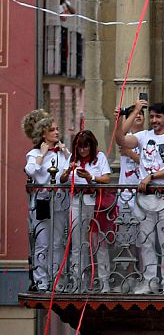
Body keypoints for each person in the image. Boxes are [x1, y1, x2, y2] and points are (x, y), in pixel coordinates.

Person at [117, 100, 164, 294]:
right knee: (146, 240)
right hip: (145, 196)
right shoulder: (142, 135)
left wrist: (152, 176)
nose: (154, 120)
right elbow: (120, 139)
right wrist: (135, 110)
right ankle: (150, 281)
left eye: (158, 117)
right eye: (152, 116)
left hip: (163, 194)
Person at [24, 110, 70, 290]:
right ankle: (41, 280)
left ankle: (57, 280)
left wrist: (66, 154)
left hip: (59, 200)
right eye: (52, 130)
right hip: (42, 201)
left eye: (57, 129)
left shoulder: (61, 152)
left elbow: (68, 171)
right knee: (43, 242)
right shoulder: (34, 153)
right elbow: (31, 171)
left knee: (58, 242)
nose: (57, 132)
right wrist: (41, 155)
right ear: (44, 133)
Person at [64, 130, 113, 292]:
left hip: (95, 202)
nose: (83, 150)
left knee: (98, 242)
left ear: (91, 146)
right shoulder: (73, 158)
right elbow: (61, 179)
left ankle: (104, 282)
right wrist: (67, 172)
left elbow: (106, 178)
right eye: (80, 147)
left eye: (86, 147)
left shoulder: (99, 158)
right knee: (78, 243)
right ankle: (79, 282)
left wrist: (90, 177)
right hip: (77, 201)